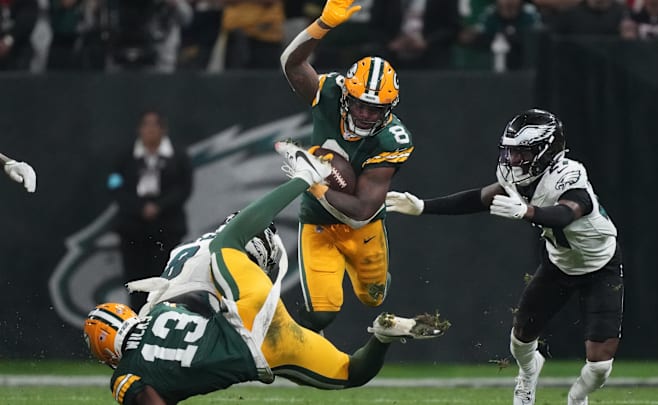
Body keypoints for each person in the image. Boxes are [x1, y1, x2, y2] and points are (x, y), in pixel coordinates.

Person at [84, 142, 449, 405]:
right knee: (228, 244)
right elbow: (221, 254)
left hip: (253, 344)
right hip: (248, 304)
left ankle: (304, 178)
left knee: (346, 373)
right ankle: (383, 336)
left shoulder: (132, 366)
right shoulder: (161, 308)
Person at [385, 109, 623, 405]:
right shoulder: (517, 180)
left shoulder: (569, 174)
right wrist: (422, 206)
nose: (513, 161)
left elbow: (567, 213)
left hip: (599, 267)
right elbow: (479, 199)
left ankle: (576, 398)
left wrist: (527, 212)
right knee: (520, 338)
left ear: (546, 152)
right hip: (558, 263)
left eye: (521, 154)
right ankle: (528, 373)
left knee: (599, 366)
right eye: (510, 152)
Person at [279, 0, 416, 334]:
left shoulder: (393, 140)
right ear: (346, 95)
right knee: (323, 314)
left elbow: (362, 209)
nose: (367, 114)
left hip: (362, 226)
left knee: (373, 298)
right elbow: (290, 62)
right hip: (319, 223)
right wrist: (323, 24)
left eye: (376, 108)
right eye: (360, 104)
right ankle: (294, 340)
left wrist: (315, 183)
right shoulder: (328, 93)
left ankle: (375, 278)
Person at [108, 110, 194, 312]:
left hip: (166, 229)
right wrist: (139, 207)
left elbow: (184, 188)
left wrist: (160, 206)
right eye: (145, 126)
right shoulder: (125, 158)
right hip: (132, 229)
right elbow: (114, 185)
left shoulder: (178, 158)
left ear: (163, 130)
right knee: (136, 283)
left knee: (164, 281)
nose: (150, 131)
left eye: (154, 126)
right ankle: (136, 322)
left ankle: (163, 320)